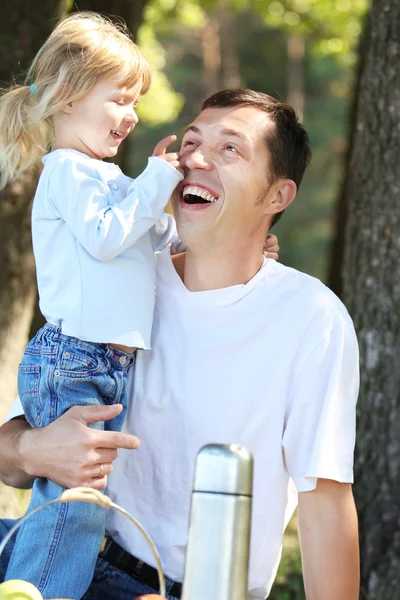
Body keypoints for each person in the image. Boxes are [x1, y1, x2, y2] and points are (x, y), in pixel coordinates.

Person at [0, 89, 359, 600]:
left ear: (278, 196)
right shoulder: (120, 279)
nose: (194, 158)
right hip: (64, 555)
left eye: (230, 149)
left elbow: (325, 505)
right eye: (190, 141)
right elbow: (8, 454)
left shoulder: (310, 318)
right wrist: (37, 449)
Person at [0, 11, 186, 599]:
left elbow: (149, 245)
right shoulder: (66, 171)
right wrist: (156, 182)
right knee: (77, 495)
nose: (131, 115)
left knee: (81, 491)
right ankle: (38, 590)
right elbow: (109, 236)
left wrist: (179, 226)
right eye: (120, 99)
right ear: (69, 95)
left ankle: (36, 582)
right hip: (76, 354)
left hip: (104, 361)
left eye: (135, 102)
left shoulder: (106, 178)